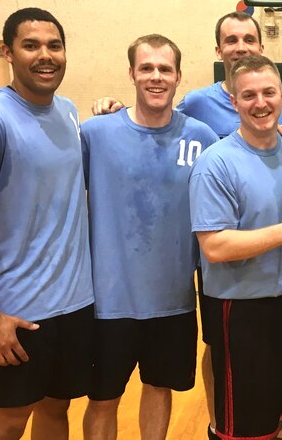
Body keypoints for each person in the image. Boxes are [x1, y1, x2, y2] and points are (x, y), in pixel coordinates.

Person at [0, 7, 94, 440]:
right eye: (31, 45)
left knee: (55, 409)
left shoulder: (67, 111)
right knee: (7, 424)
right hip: (14, 314)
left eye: (54, 45)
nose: (45, 55)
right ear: (7, 52)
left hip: (71, 306)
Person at [79, 34, 218, 440]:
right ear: (131, 74)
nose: (156, 77)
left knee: (159, 387)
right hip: (109, 301)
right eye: (146, 68)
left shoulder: (202, 137)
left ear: (178, 76)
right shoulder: (96, 134)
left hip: (173, 300)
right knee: (103, 398)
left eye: (164, 69)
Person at [189, 55, 282, 440]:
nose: (260, 103)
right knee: (246, 429)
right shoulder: (216, 163)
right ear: (234, 102)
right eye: (248, 95)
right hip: (241, 310)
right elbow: (214, 246)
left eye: (268, 93)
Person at [92, 11, 282, 141]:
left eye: (249, 40)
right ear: (218, 50)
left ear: (261, 47)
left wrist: (271, 134)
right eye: (231, 40)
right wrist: (121, 111)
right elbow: (157, 121)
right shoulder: (197, 103)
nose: (241, 48)